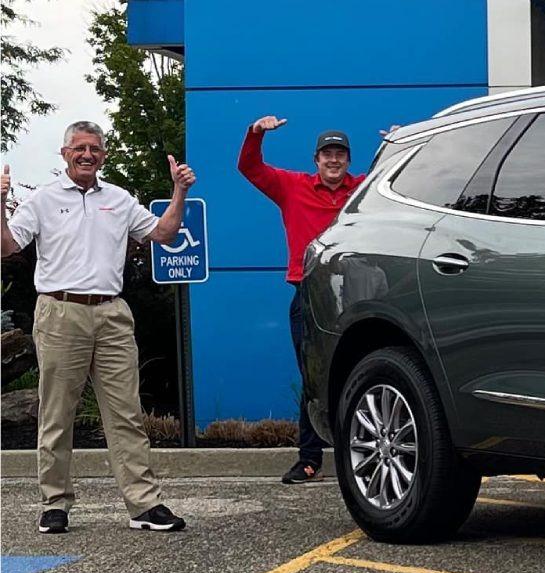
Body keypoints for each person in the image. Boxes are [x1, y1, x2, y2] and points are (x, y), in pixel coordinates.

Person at [1, 121, 195, 534]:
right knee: (57, 413)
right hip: (60, 311)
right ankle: (55, 503)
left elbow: (164, 233)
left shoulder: (119, 199)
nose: (87, 154)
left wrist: (179, 191)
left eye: (95, 148)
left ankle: (144, 505)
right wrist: (0, 204)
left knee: (127, 413)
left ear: (104, 155)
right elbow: (7, 246)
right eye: (79, 148)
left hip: (111, 314)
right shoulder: (43, 199)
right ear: (65, 153)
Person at [238, 115, 366, 484]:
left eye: (340, 154)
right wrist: (255, 133)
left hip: (358, 295)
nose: (333, 160)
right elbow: (250, 168)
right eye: (327, 154)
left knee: (363, 372)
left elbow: (399, 180)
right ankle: (309, 459)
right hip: (310, 295)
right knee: (314, 378)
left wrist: (398, 144)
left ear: (348, 160)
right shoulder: (292, 187)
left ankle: (360, 455)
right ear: (316, 159)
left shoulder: (363, 190)